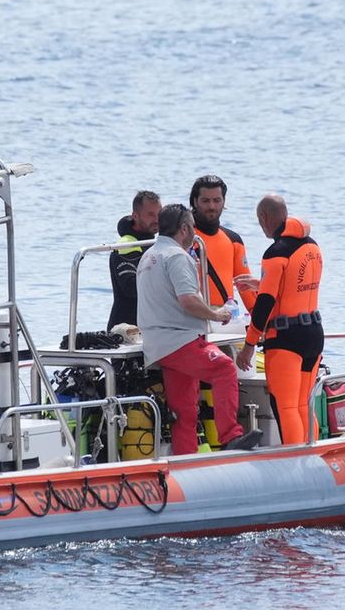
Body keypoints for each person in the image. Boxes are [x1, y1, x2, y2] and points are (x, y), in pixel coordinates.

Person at [136, 203, 263, 454]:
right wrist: (215, 314)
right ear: (184, 229)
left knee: (185, 412)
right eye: (193, 227)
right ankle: (230, 436)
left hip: (158, 345)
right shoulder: (177, 257)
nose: (195, 233)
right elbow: (188, 300)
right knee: (225, 368)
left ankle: (187, 460)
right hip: (180, 341)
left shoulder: (148, 256)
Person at [238, 195, 324, 445]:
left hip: (286, 339)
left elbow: (264, 305)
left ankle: (295, 460)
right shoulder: (312, 246)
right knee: (303, 404)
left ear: (264, 218)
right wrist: (262, 282)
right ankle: (313, 454)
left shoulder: (275, 253)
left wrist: (249, 345)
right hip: (314, 334)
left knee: (286, 407)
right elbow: (298, 288)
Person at [189, 175, 257, 315]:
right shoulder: (183, 238)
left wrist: (261, 321)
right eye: (205, 201)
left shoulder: (233, 240)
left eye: (217, 200)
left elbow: (246, 289)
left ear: (224, 202)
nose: (211, 206)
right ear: (195, 202)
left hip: (225, 320)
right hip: (191, 320)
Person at [108, 190, 161, 330]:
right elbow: (130, 288)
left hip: (146, 323)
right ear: (135, 216)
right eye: (150, 214)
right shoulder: (127, 244)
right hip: (126, 327)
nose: (156, 219)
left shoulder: (152, 243)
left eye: (159, 214)